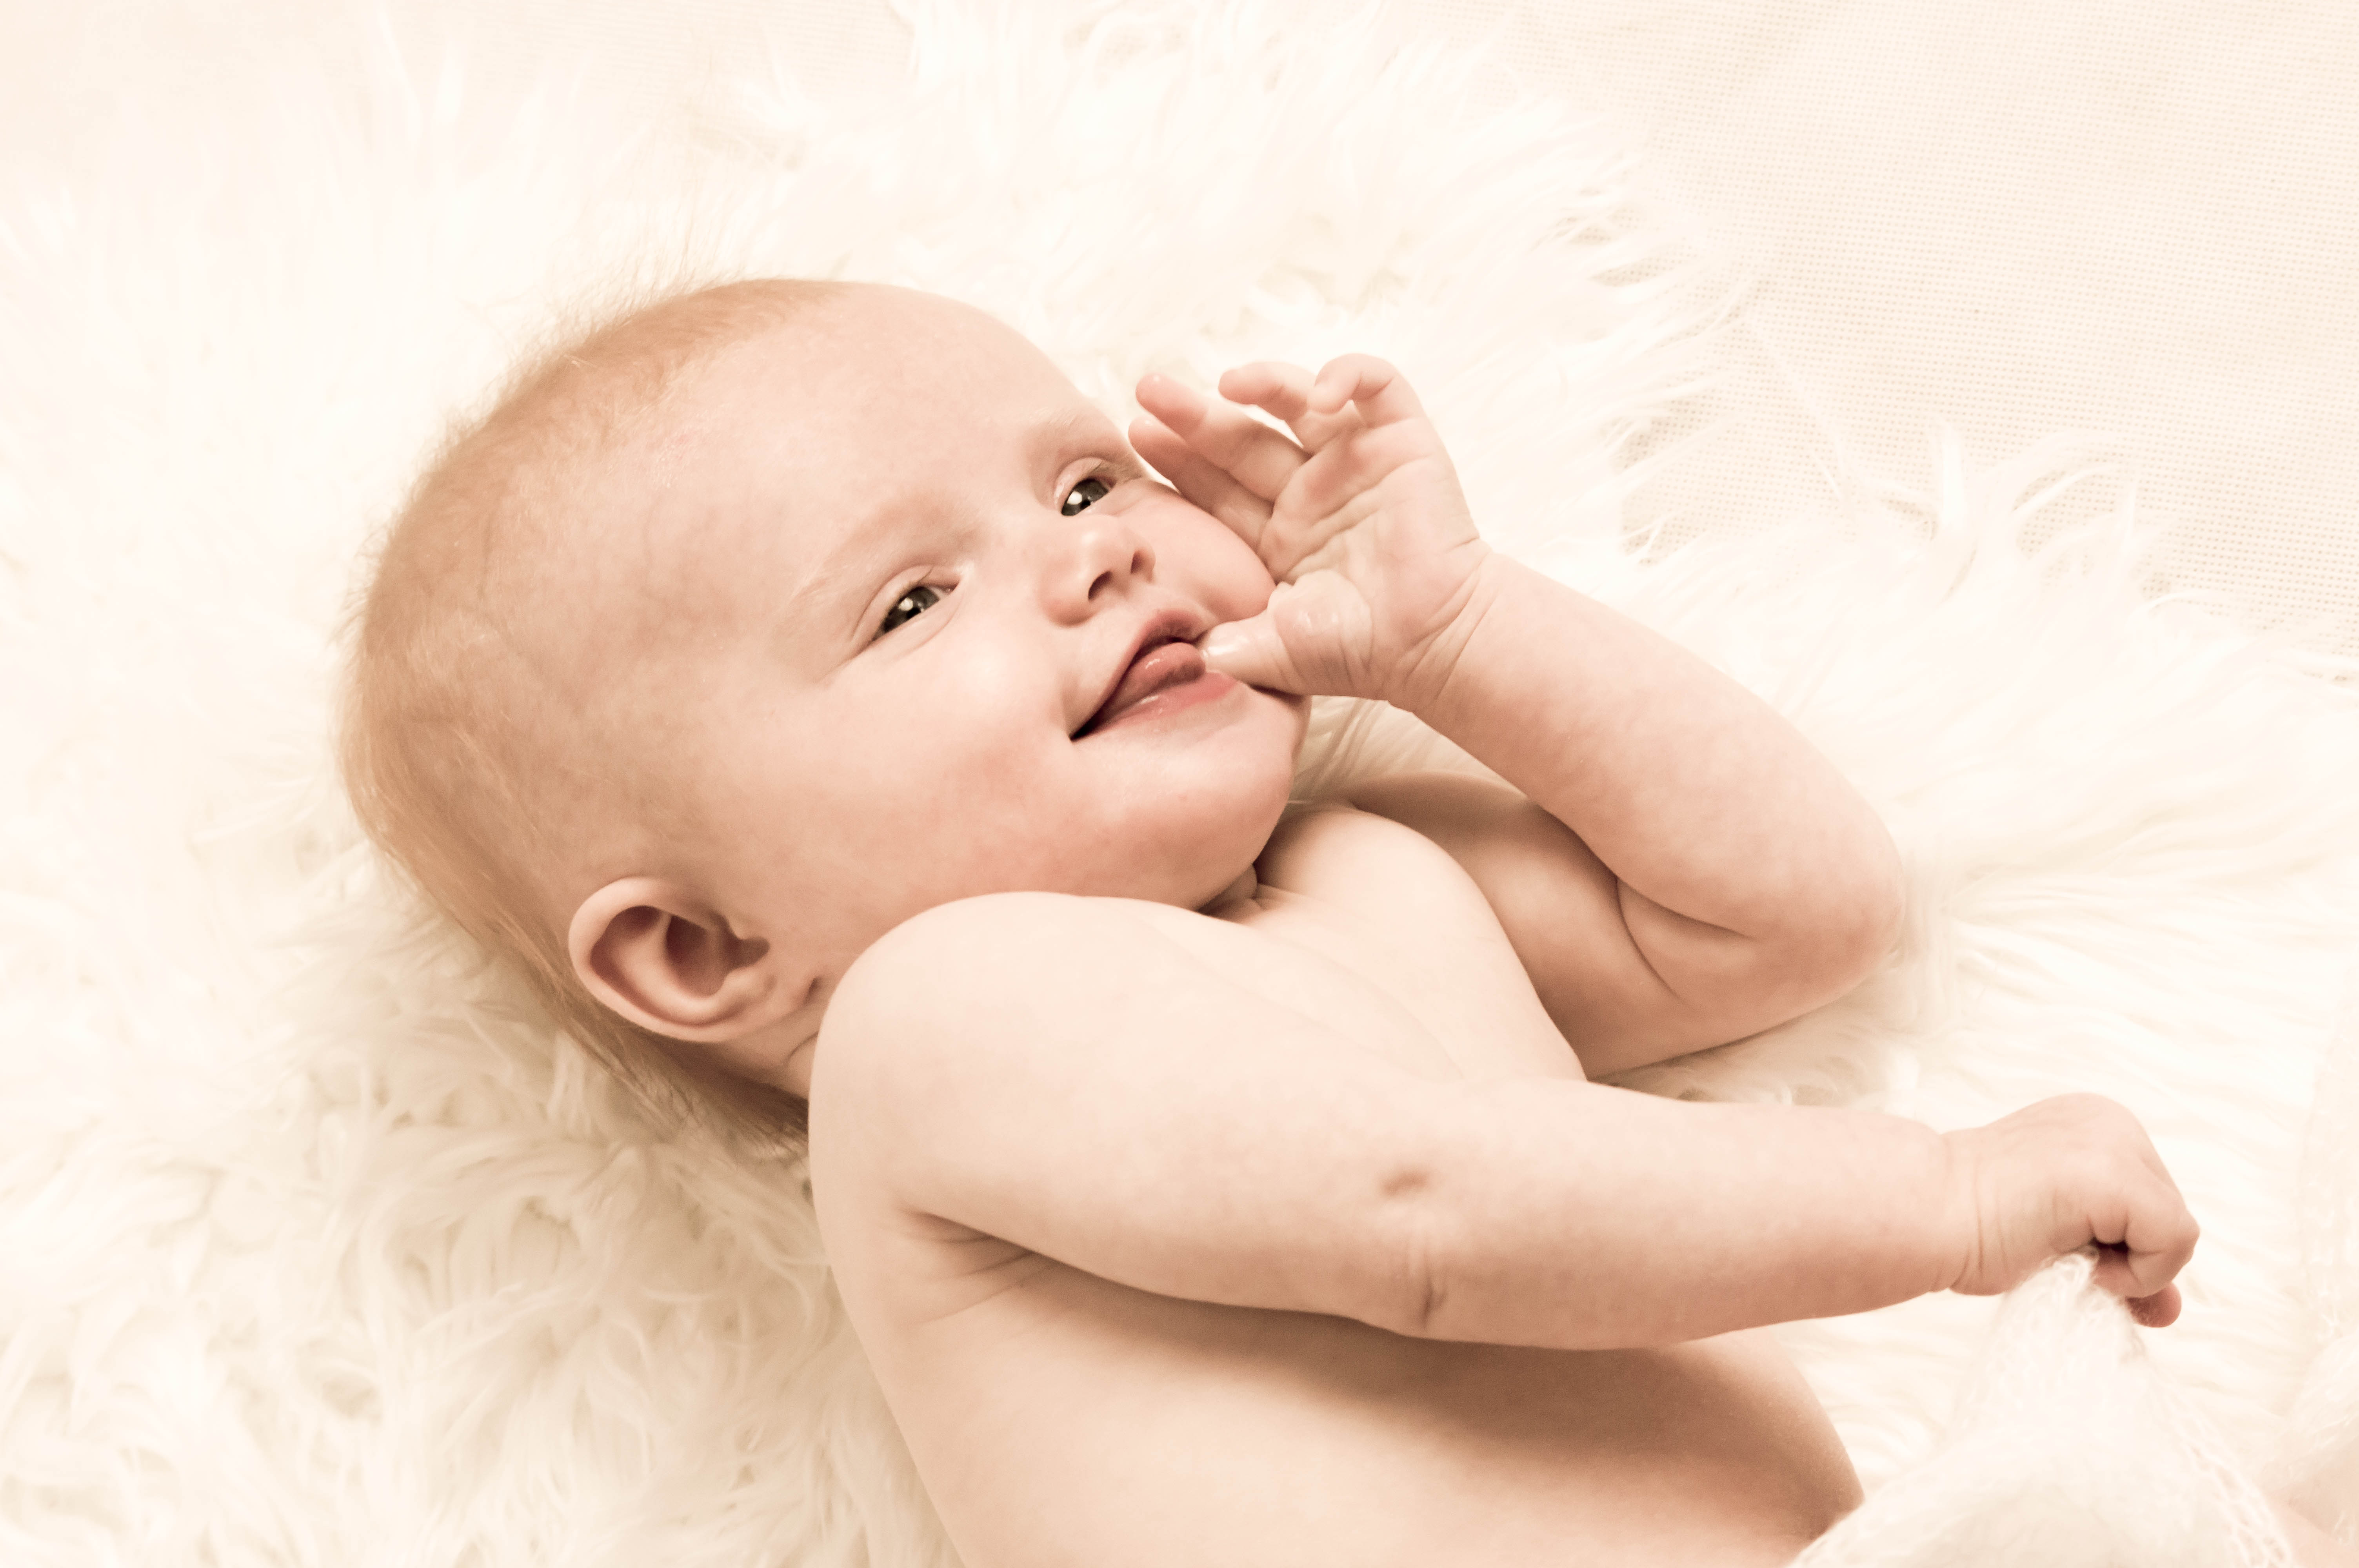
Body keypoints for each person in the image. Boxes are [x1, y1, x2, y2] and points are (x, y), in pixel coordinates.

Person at [344, 278, 2269, 1565]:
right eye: (911, 603)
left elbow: (1788, 915)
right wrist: (1939, 1197)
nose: (1093, 553)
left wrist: (1462, 631)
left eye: (1081, 480)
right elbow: (1423, 1214)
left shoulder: (1364, 871)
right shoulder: (937, 1021)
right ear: (703, 952)